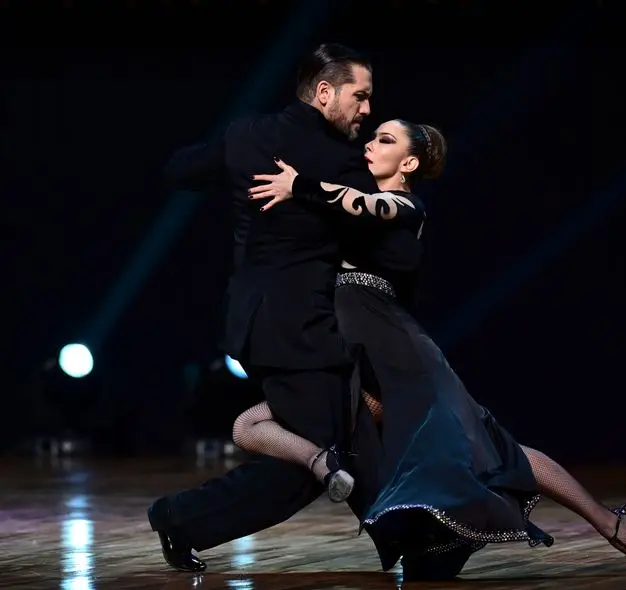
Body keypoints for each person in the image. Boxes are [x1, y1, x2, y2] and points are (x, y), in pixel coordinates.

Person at [235, 118, 626, 579]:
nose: (371, 144)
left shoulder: (404, 206)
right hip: (353, 355)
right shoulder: (350, 204)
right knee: (249, 424)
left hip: (400, 356)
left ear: (410, 161)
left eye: (385, 139)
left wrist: (302, 184)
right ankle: (343, 477)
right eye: (373, 136)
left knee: (494, 450)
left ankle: (609, 523)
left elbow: (364, 205)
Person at [146, 43, 403, 573]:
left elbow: (180, 170)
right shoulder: (344, 160)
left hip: (265, 321)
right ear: (325, 91)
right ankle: (178, 516)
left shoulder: (248, 135)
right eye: (361, 96)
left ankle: (403, 538)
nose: (367, 110)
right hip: (294, 327)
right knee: (316, 457)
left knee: (344, 441)